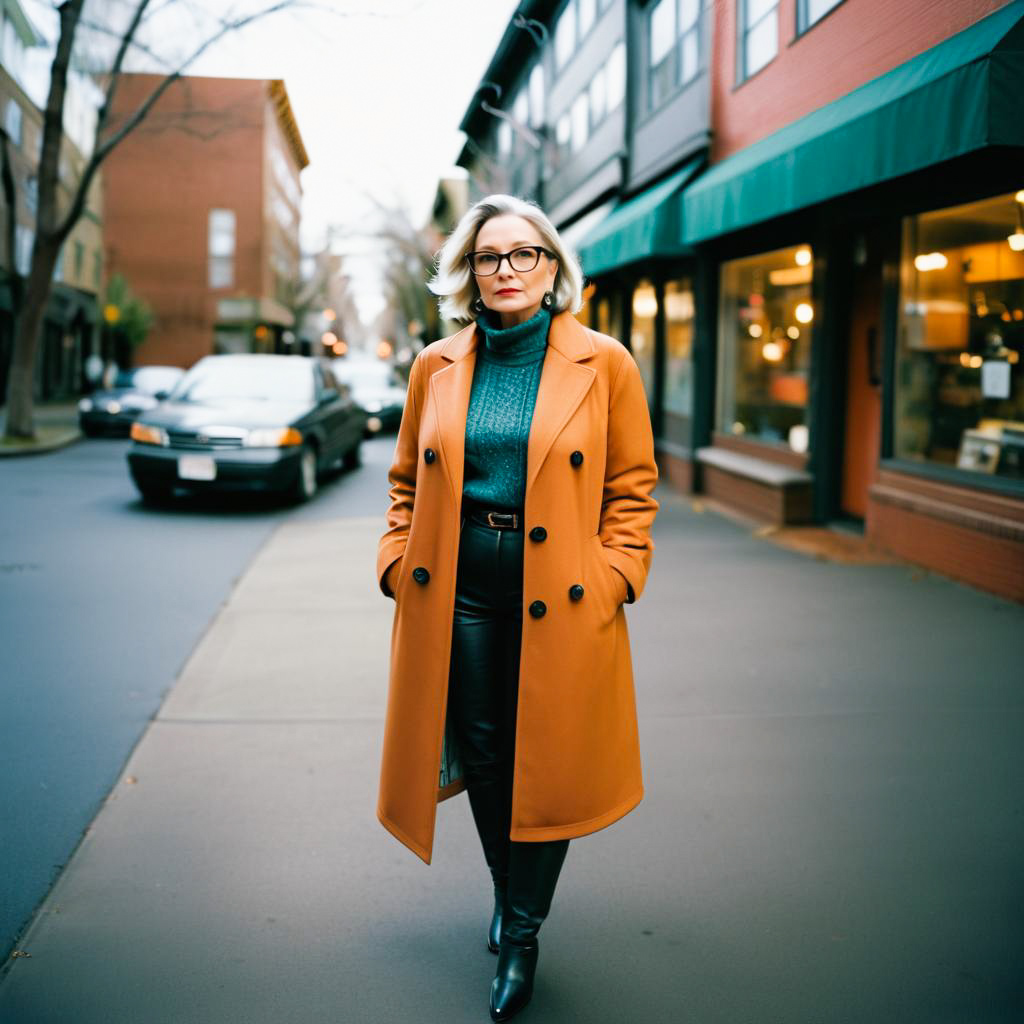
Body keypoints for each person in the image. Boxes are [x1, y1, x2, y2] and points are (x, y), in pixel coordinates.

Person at [376, 194, 658, 1021]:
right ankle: (512, 899)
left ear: (552, 268)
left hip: (564, 589)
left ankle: (522, 932)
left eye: (523, 254)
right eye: (488, 257)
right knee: (490, 754)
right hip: (457, 584)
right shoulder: (436, 364)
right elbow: (404, 483)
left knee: (551, 758)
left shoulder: (605, 363)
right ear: (468, 273)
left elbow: (632, 492)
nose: (506, 271)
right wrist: (396, 562)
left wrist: (615, 576)